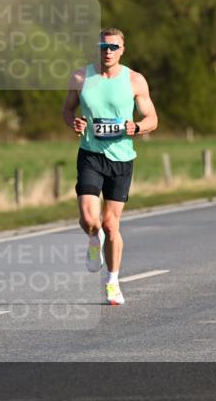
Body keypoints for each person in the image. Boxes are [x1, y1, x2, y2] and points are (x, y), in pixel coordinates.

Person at [61, 27, 158, 306]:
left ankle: (112, 282)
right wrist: (74, 123)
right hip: (90, 154)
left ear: (122, 50)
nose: (108, 52)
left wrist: (136, 127)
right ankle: (94, 240)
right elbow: (67, 110)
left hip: (122, 157)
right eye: (103, 47)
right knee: (91, 220)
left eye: (113, 47)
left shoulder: (135, 80)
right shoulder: (81, 77)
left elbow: (152, 117)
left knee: (111, 223)